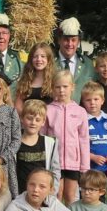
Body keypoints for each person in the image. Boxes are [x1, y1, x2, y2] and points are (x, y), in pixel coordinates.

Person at [43, 70, 90, 204]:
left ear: (72, 87)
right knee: (56, 195)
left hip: (72, 162)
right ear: (53, 88)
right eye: (57, 87)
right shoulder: (48, 110)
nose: (61, 90)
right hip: (54, 161)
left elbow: (84, 140)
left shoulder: (80, 111)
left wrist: (84, 166)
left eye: (65, 87)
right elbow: (42, 136)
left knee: (70, 197)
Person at [16, 100, 60, 194]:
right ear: (21, 118)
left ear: (43, 122)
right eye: (29, 118)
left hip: (42, 195)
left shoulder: (50, 143)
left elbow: (55, 170)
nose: (33, 123)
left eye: (37, 120)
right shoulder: (15, 143)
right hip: (20, 195)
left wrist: (52, 192)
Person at [54, 17, 95, 103]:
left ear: (78, 42)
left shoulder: (88, 64)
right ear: (59, 40)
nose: (70, 44)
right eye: (66, 39)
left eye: (73, 40)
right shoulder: (49, 62)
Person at [81, 81, 107, 175]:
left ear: (102, 100)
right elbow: (78, 145)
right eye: (88, 100)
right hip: (89, 168)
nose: (92, 103)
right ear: (83, 101)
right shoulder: (82, 119)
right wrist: (92, 157)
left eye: (96, 99)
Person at [14, 42, 56, 115]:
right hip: (27, 122)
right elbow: (18, 107)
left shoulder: (55, 80)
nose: (39, 59)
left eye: (43, 56)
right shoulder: (24, 80)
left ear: (48, 59)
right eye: (35, 56)